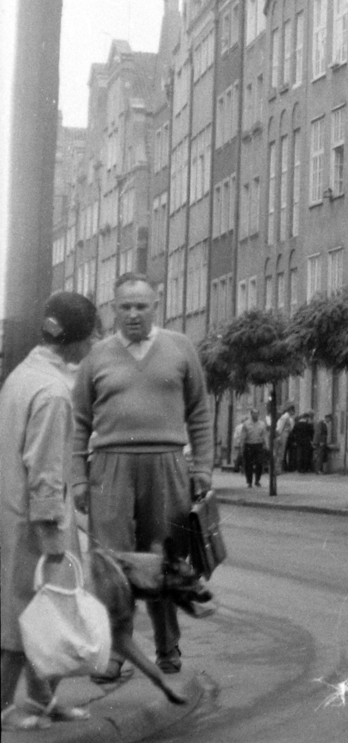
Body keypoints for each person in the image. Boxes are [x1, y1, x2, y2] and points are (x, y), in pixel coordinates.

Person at [72, 273, 212, 680]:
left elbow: (200, 414)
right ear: (112, 309)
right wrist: (78, 479)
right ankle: (114, 652)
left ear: (156, 306)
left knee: (167, 560)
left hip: (166, 463)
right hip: (111, 466)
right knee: (110, 565)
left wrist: (202, 467)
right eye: (125, 306)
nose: (133, 314)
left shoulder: (180, 348)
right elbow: (79, 423)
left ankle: (167, 646)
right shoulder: (96, 356)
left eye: (141, 306)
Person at [0, 292, 100, 730]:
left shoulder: (23, 374)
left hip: (11, 511)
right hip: (36, 521)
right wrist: (51, 536)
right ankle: (4, 705)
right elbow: (45, 470)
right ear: (75, 340)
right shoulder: (54, 392)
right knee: (27, 613)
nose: (96, 342)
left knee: (44, 612)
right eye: (93, 333)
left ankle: (44, 698)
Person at [237, 407, 269, 488]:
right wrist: (241, 447)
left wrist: (266, 445)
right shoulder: (246, 424)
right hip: (249, 445)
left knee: (259, 463)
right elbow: (243, 437)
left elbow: (264, 435)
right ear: (251, 414)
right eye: (254, 414)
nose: (256, 415)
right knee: (248, 464)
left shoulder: (262, 424)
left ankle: (257, 480)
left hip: (258, 445)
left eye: (257, 414)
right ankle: (249, 481)